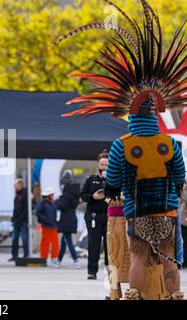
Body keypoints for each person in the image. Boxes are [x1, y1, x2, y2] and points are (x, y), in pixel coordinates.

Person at [59, 1, 186, 299]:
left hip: (135, 212)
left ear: (132, 114)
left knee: (138, 257)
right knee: (169, 257)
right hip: (166, 211)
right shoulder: (168, 143)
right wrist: (172, 191)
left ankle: (133, 296)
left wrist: (115, 190)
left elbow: (113, 180)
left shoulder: (122, 145)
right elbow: (180, 174)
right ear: (155, 112)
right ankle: (175, 296)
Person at [80, 150, 109, 280]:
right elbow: (83, 196)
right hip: (93, 216)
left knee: (111, 244)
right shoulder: (91, 179)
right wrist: (93, 196)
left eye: (107, 165)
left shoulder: (115, 181)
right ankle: (92, 271)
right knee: (94, 244)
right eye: (102, 164)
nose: (104, 167)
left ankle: (111, 270)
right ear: (98, 165)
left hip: (109, 216)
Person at [55, 170, 80, 268]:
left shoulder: (66, 194)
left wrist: (57, 202)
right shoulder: (74, 194)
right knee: (64, 241)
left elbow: (62, 206)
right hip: (71, 217)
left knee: (68, 241)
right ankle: (58, 260)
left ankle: (75, 260)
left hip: (66, 219)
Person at [36, 187, 59, 267]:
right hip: (46, 226)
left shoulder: (52, 203)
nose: (53, 196)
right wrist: (45, 220)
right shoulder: (42, 204)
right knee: (45, 243)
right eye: (52, 194)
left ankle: (54, 258)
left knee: (55, 243)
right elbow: (38, 213)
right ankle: (43, 259)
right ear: (48, 195)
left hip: (53, 226)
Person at [8, 178, 29, 262]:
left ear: (20, 185)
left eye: (16, 185)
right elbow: (16, 208)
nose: (14, 187)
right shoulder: (17, 195)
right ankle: (14, 255)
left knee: (24, 238)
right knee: (14, 239)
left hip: (23, 221)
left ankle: (26, 255)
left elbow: (26, 209)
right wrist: (14, 218)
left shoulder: (24, 194)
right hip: (16, 221)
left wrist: (20, 218)